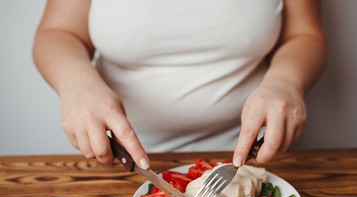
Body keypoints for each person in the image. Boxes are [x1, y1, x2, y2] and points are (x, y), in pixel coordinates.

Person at [33, 0, 327, 170]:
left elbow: (305, 34)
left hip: (260, 155)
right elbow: (58, 31)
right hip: (113, 154)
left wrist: (287, 82)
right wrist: (76, 84)